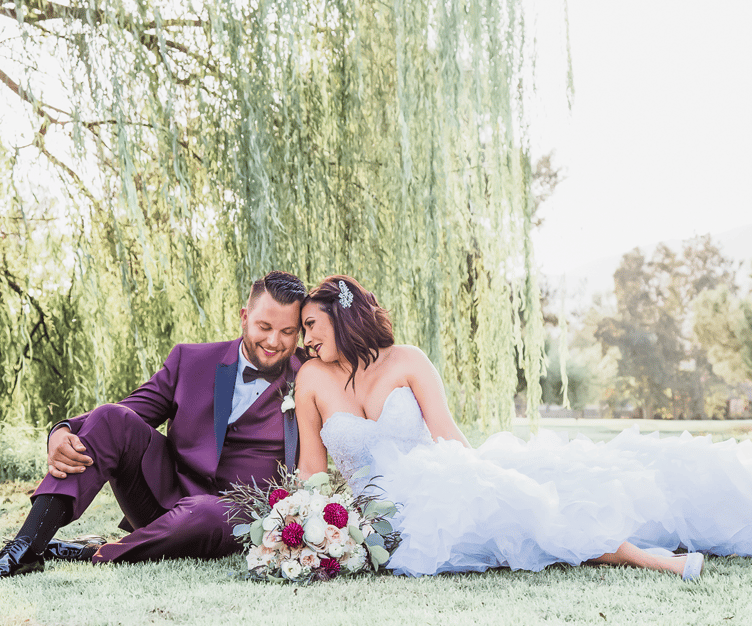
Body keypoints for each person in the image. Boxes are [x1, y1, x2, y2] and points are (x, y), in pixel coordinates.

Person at [294, 275, 752, 580]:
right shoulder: (311, 378)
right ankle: (648, 555)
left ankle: (651, 558)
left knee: (527, 502)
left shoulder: (406, 359)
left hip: (437, 480)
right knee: (518, 525)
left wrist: (480, 476)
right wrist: (300, 525)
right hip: (380, 516)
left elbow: (447, 433)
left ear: (343, 313)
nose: (307, 339)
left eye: (311, 324)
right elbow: (310, 470)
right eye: (303, 332)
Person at [0, 271, 307, 578]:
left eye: (287, 332)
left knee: (205, 512)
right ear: (244, 318)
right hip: (162, 498)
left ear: (298, 333)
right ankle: (26, 546)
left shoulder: (308, 377)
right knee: (111, 417)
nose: (273, 341)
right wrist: (62, 431)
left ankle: (93, 552)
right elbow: (125, 414)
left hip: (236, 515)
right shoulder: (191, 359)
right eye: (263, 327)